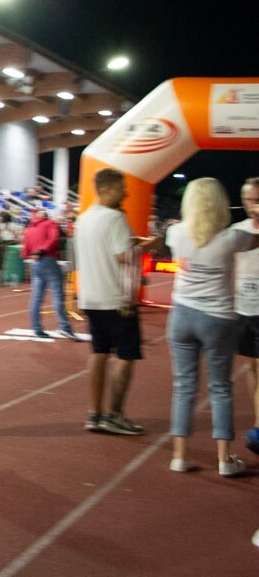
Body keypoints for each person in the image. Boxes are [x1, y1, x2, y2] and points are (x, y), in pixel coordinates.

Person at [165, 178, 259, 475]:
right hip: (217, 318)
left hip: (181, 316)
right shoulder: (231, 237)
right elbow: (255, 237)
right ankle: (224, 459)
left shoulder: (175, 232)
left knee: (183, 387)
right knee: (220, 388)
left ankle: (179, 455)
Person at [74, 167, 154, 435]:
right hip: (116, 299)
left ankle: (94, 414)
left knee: (98, 352)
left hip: (91, 297)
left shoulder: (82, 219)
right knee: (126, 356)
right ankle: (115, 415)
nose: (126, 193)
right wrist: (150, 245)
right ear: (106, 189)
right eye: (121, 188)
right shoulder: (114, 218)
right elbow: (123, 256)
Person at [22, 208, 75, 338]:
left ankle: (36, 327)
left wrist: (33, 254)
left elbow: (25, 250)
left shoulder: (30, 228)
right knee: (58, 294)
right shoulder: (50, 223)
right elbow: (53, 239)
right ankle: (64, 326)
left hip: (35, 262)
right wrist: (42, 250)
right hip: (48, 259)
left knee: (36, 297)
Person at [236, 177, 259, 455]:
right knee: (252, 367)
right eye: (252, 200)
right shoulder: (237, 231)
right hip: (242, 308)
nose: (256, 205)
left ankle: (257, 426)